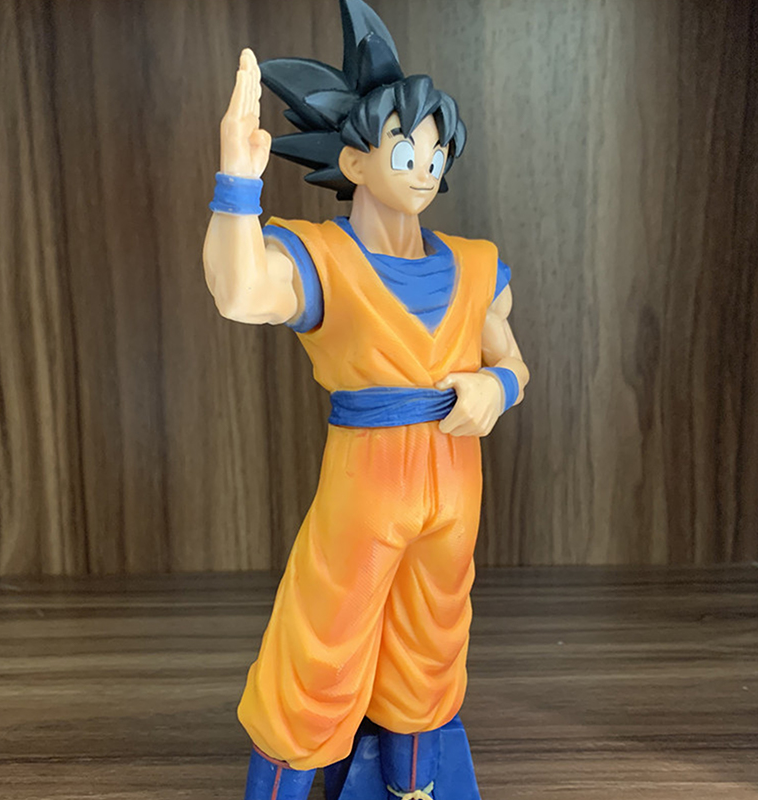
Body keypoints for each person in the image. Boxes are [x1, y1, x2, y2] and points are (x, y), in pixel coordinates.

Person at [202, 2, 529, 798]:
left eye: (436, 151)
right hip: (368, 478)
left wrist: (498, 386)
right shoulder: (323, 257)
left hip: (455, 481)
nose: (425, 167)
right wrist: (238, 181)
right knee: (322, 643)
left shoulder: (477, 264)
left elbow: (512, 359)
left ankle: (412, 788)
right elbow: (241, 292)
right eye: (405, 149)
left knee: (431, 647)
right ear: (354, 161)